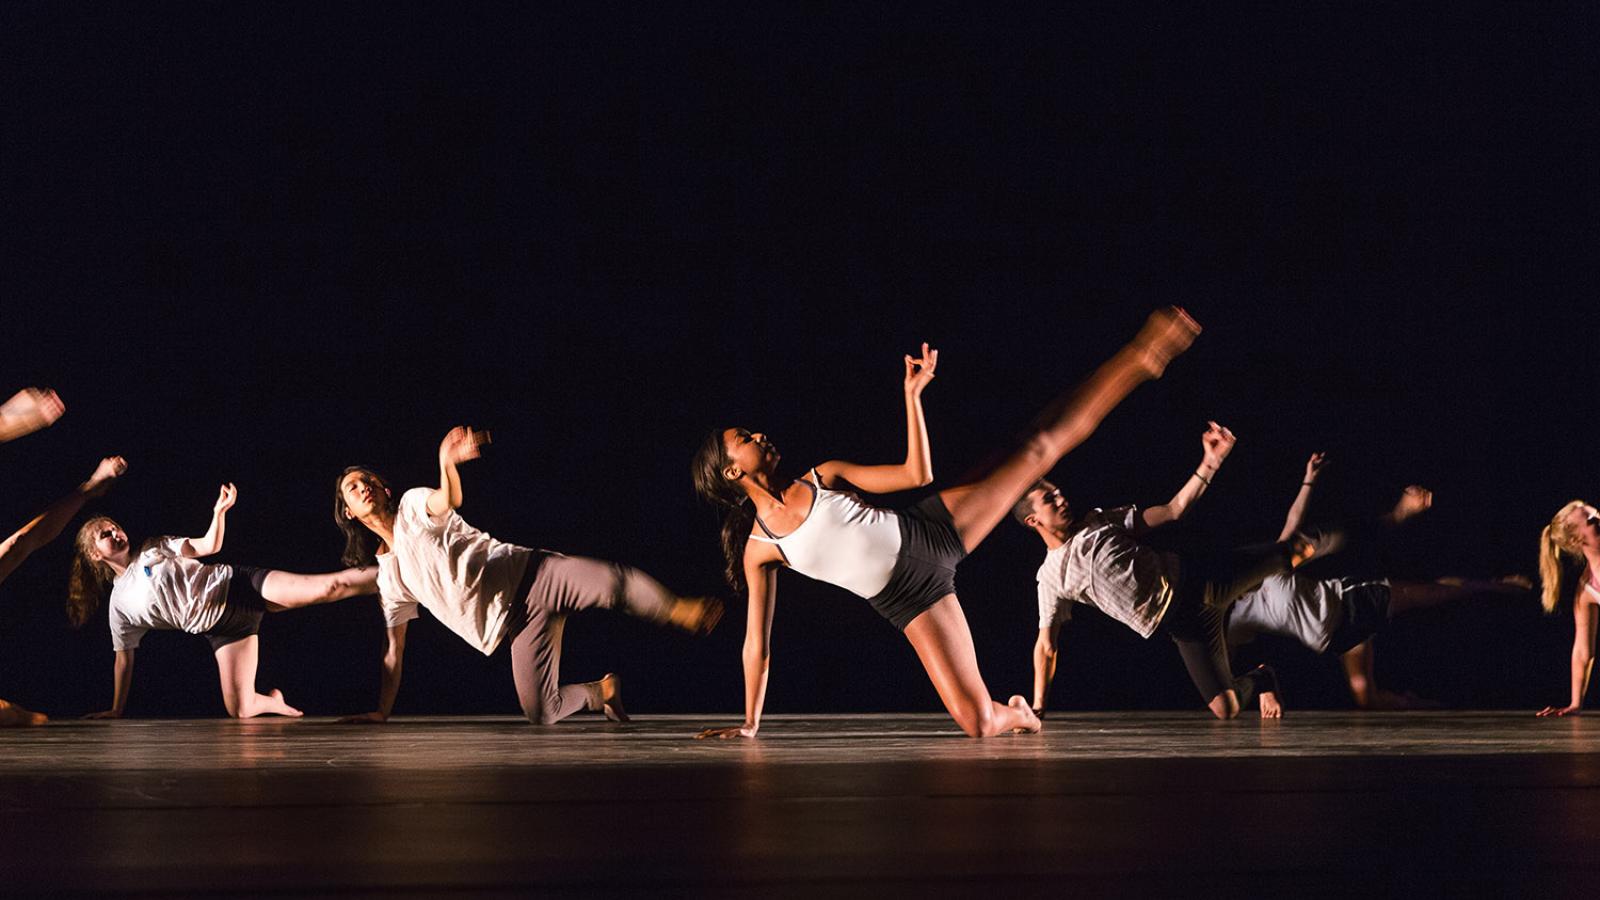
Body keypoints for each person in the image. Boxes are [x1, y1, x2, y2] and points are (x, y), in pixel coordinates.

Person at [692, 308, 1202, 739]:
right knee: (979, 723)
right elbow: (756, 642)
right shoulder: (760, 548)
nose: (759, 434)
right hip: (907, 602)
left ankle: (1143, 357)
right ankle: (1021, 714)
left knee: (1037, 449)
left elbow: (918, 474)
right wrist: (750, 723)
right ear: (733, 470)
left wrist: (913, 397)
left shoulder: (822, 475)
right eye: (745, 437)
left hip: (929, 532)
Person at [335, 426, 722, 725]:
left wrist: (446, 462)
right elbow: (394, 650)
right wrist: (382, 711)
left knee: (611, 583)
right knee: (542, 711)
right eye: (353, 488)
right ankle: (603, 691)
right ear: (349, 511)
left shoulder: (412, 506)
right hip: (516, 625)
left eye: (368, 481)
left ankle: (678, 610)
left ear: (385, 490)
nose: (363, 487)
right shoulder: (389, 576)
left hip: (536, 576)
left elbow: (447, 498)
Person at [1018, 419, 1325, 719]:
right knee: (1226, 709)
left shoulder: (1099, 522)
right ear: (1033, 520)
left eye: (1058, 492)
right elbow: (1046, 645)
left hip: (1201, 580)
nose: (1061, 499)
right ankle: (1263, 678)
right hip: (1183, 625)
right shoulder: (1049, 577)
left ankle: (1344, 538)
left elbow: (1174, 510)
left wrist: (1211, 461)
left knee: (1292, 553)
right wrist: (1038, 706)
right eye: (1049, 499)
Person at [1223, 455, 1515, 709]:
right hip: (1334, 640)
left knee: (1429, 594)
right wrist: (1263, 688)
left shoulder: (1271, 569)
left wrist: (1309, 479)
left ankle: (1492, 585)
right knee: (1366, 699)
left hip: (1352, 603)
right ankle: (1423, 706)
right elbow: (1223, 668)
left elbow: (1293, 522)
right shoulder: (1235, 618)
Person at [71, 484, 377, 718]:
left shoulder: (156, 547)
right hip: (223, 630)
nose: (114, 531)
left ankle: (394, 574)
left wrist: (219, 512)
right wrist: (116, 709)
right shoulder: (119, 606)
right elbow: (124, 659)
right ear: (95, 555)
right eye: (104, 534)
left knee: (328, 587)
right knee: (241, 710)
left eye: (114, 526)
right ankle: (275, 701)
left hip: (240, 587)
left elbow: (209, 544)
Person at [1535, 500, 1600, 717]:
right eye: (1590, 519)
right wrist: (1575, 703)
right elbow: (1583, 651)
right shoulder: (1587, 588)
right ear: (1575, 540)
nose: (1597, 517)